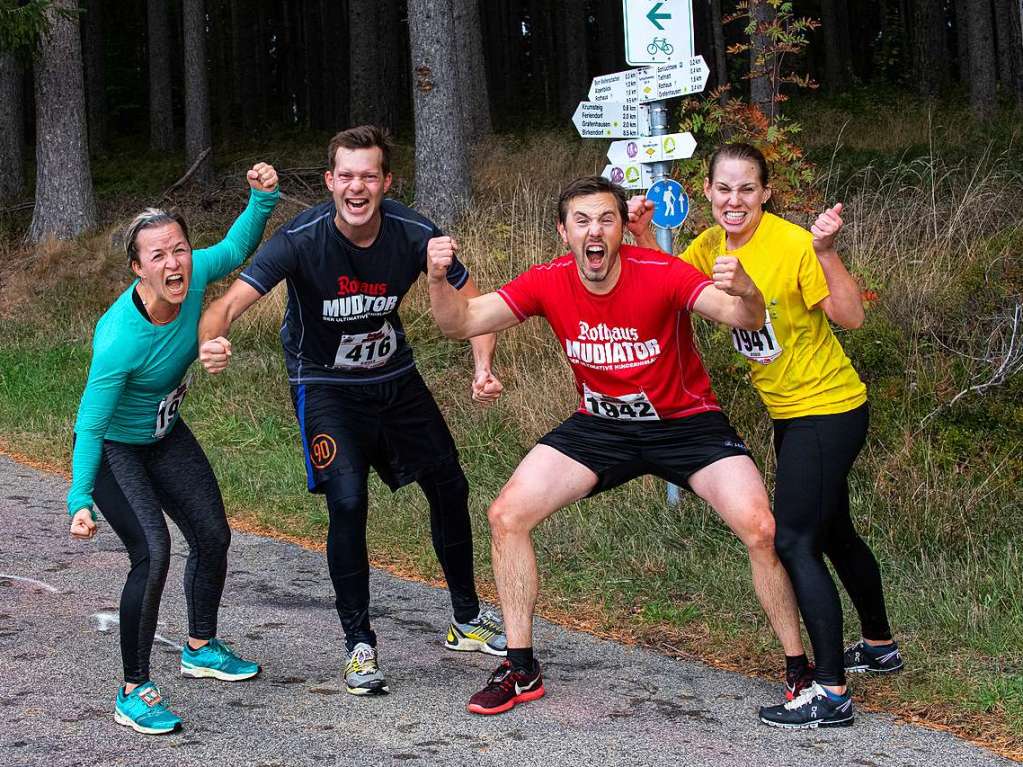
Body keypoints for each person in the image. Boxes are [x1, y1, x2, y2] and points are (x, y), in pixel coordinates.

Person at [426, 174, 807, 716]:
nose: (594, 231)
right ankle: (520, 667)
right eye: (581, 221)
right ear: (563, 232)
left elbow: (742, 316)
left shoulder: (661, 272)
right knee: (507, 514)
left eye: (606, 219)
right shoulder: (548, 279)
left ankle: (799, 671)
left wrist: (747, 290)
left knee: (761, 529)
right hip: (601, 425)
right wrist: (438, 278)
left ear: (621, 229)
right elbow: (459, 323)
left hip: (685, 424)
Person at [197, 125, 507, 697]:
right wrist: (212, 342)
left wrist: (481, 365)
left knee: (450, 484)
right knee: (347, 500)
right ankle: (358, 645)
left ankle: (466, 620)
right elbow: (228, 305)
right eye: (347, 176)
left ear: (385, 182)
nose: (357, 187)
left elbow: (475, 302)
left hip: (394, 378)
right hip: (326, 385)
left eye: (369, 176)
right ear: (329, 182)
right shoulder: (300, 237)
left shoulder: (414, 232)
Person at [628, 142, 901, 729]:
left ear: (766, 192)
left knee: (793, 539)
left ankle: (829, 690)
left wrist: (825, 250)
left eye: (747, 189)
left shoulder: (792, 242)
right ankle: (879, 647)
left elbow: (850, 317)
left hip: (828, 408)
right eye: (724, 189)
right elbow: (673, 286)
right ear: (706, 191)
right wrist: (645, 239)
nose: (735, 200)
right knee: (833, 532)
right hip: (790, 413)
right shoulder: (707, 246)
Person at [67, 163, 281, 734]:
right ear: (138, 269)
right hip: (116, 448)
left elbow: (235, 246)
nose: (174, 262)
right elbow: (90, 422)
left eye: (179, 249)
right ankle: (134, 688)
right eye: (157, 256)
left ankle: (200, 647)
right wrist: (79, 498)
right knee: (153, 552)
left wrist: (262, 199)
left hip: (164, 436)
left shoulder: (195, 275)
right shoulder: (118, 337)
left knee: (212, 533)